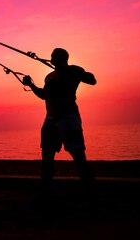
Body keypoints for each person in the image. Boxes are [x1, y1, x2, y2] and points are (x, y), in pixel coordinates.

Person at [22, 47, 96, 183]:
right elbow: (44, 95)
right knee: (47, 155)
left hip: (69, 117)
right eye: (51, 57)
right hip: (50, 119)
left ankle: (88, 184)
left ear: (60, 59)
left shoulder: (74, 70)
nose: (51, 59)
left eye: (53, 57)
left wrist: (74, 71)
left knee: (78, 154)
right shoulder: (49, 77)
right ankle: (46, 185)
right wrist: (31, 85)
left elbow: (92, 80)